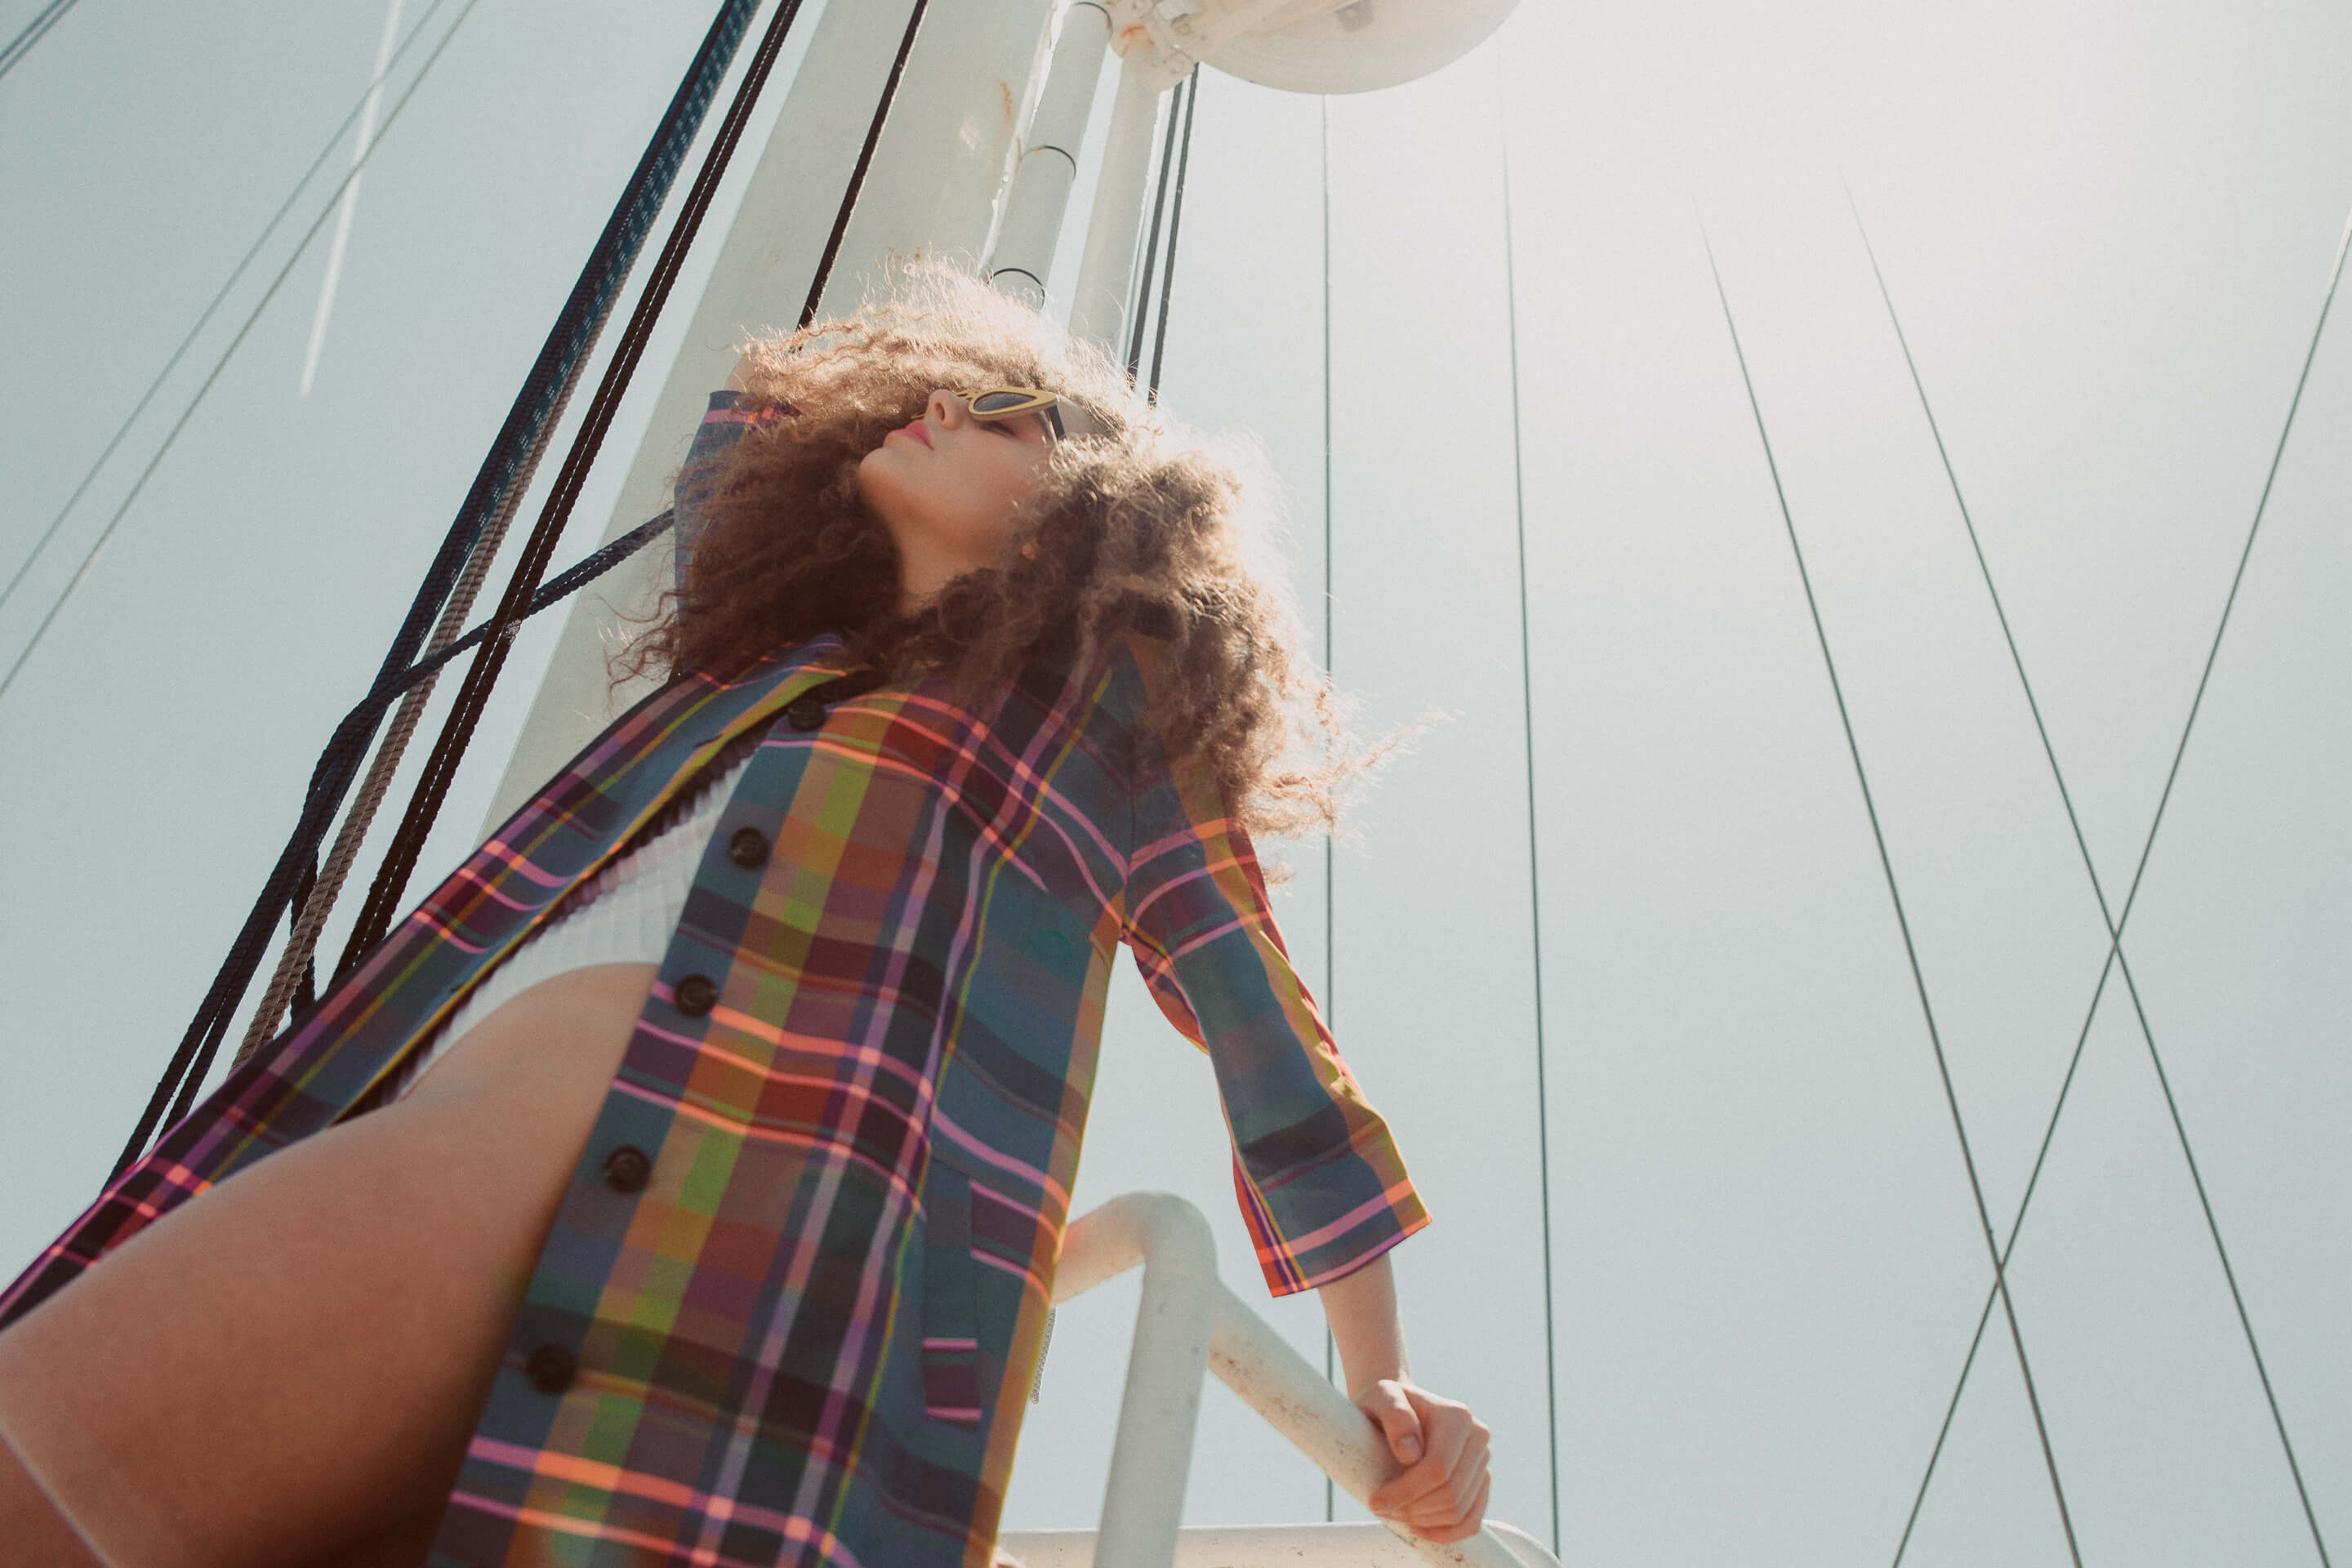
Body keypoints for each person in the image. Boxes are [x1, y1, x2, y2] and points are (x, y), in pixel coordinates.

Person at [0, 265, 1490, 1567]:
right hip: (463, 1115)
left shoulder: (1110, 730)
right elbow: (743, 420)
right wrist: (915, 384)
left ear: (1090, 519)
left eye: (1007, 413)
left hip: (634, 1150)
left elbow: (1271, 1045)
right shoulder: (769, 661)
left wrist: (1383, 1381)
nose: (943, 406)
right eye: (934, 394)